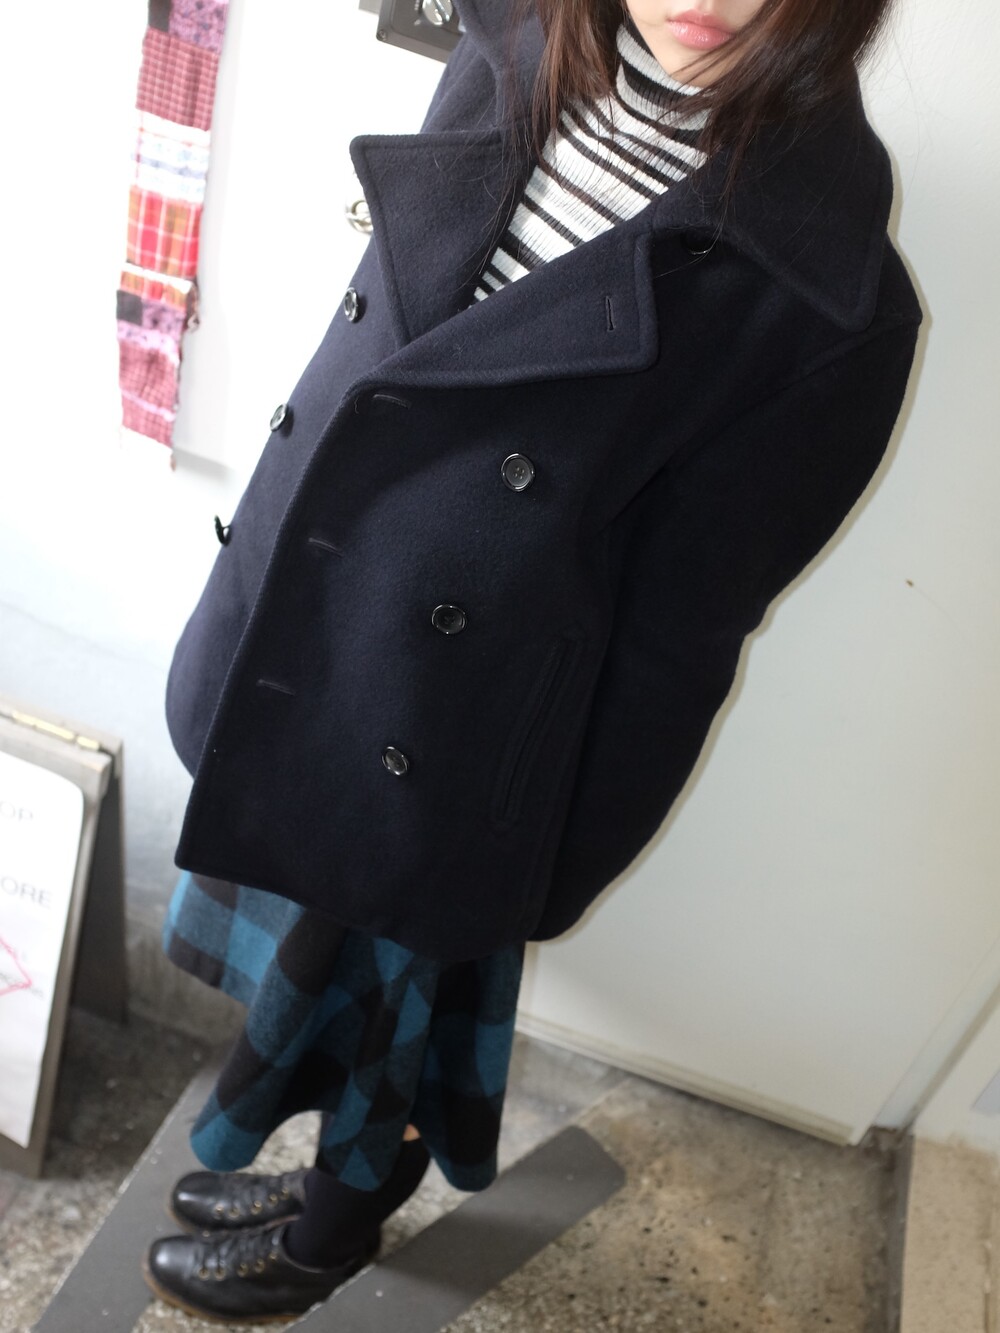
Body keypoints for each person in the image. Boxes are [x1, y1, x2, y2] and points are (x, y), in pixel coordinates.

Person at [142, 0, 921, 1321]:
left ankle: (328, 1238)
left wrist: (562, 854)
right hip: (315, 620)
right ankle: (306, 1176)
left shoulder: (827, 302)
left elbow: (686, 629)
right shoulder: (505, 52)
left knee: (391, 1022)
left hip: (464, 734)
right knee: (312, 972)